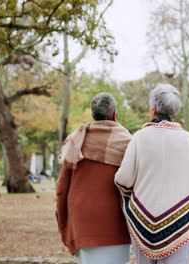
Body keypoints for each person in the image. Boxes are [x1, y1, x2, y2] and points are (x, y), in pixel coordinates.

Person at [115, 84, 189, 264]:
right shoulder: (187, 139)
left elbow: (123, 179)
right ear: (175, 111)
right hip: (180, 224)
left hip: (143, 223)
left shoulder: (139, 137)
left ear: (153, 109)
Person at [56, 92, 132, 264]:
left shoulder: (76, 140)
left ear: (93, 114)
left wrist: (64, 222)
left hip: (81, 222)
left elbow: (61, 189)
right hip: (114, 223)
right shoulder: (128, 143)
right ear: (115, 114)